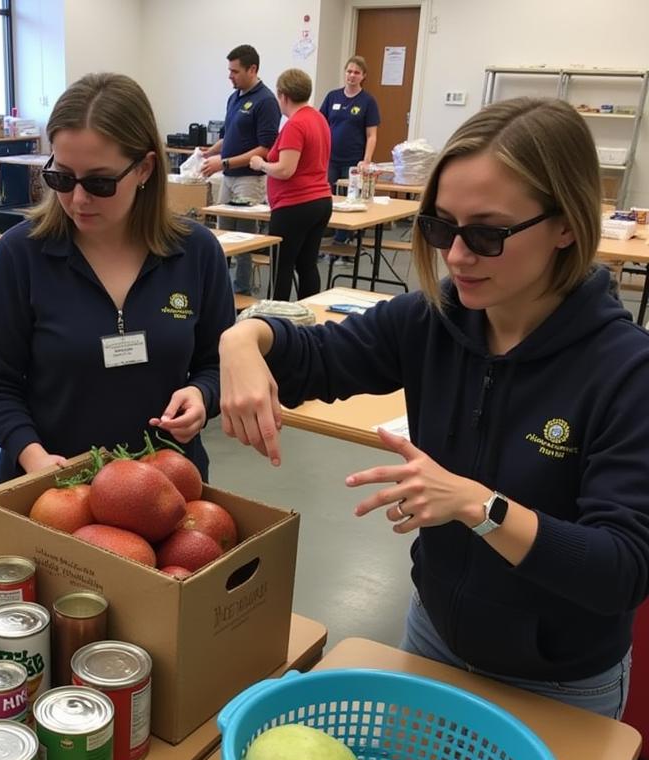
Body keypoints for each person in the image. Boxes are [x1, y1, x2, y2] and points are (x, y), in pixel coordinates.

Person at [219, 97, 649, 719]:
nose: (456, 255)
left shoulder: (625, 370)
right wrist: (243, 339)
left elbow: (622, 571)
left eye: (487, 233)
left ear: (567, 226)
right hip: (434, 638)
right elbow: (316, 356)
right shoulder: (433, 320)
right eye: (441, 227)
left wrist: (480, 507)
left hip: (558, 683)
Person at [0, 73, 234, 483]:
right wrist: (33, 456)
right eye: (61, 177)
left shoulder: (197, 253)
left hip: (166, 488)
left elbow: (217, 363)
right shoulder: (21, 254)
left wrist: (203, 396)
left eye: (100, 181)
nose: (78, 199)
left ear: (145, 167)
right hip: (57, 490)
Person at [201, 45, 280, 296]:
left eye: (235, 71)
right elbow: (229, 137)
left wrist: (223, 163)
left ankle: (242, 290)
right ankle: (220, 290)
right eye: (229, 70)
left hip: (249, 179)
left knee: (244, 239)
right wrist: (209, 152)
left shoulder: (266, 101)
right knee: (223, 237)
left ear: (252, 69)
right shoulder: (234, 97)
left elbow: (265, 149)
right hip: (229, 177)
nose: (230, 76)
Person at [249, 69, 332, 301]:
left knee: (281, 267)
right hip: (320, 201)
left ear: (283, 95)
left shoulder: (295, 125)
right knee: (307, 265)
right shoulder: (319, 119)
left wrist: (261, 164)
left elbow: (286, 169)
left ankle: (276, 323)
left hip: (295, 205)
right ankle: (309, 318)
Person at [319, 55, 380, 247]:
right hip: (330, 158)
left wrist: (366, 160)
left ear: (363, 76)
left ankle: (343, 240)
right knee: (325, 196)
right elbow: (320, 125)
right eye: (349, 71)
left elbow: (372, 135)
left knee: (349, 199)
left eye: (356, 73)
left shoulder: (367, 101)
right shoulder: (332, 97)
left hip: (353, 160)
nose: (351, 75)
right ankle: (325, 237)